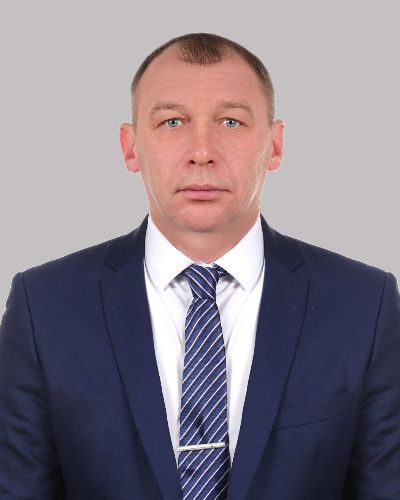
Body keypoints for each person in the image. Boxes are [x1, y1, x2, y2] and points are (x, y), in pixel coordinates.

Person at [0, 32, 399, 500]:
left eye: (231, 121)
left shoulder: (364, 304)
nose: (202, 151)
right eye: (172, 122)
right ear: (131, 147)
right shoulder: (44, 306)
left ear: (274, 145)